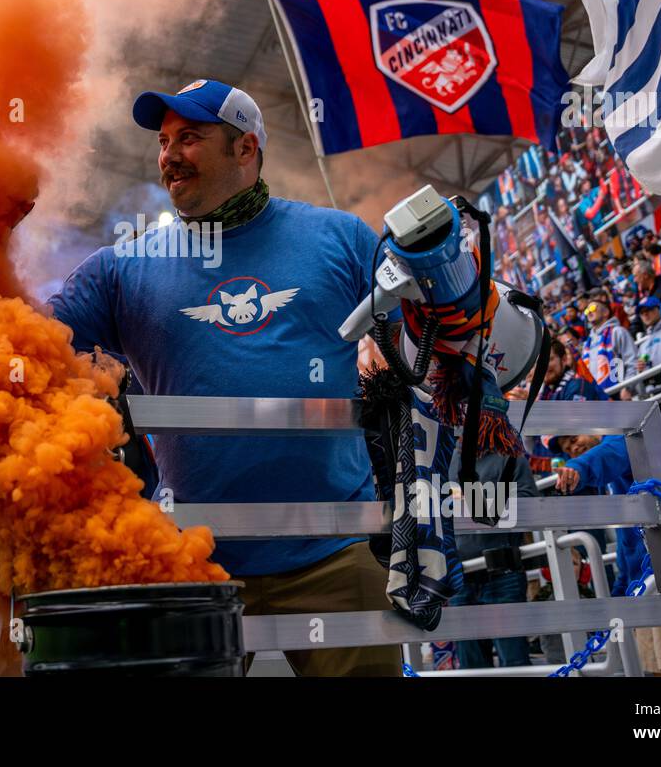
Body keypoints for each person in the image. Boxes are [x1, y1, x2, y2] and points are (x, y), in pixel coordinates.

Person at [47, 78, 398, 676]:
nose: (169, 154)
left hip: (334, 557)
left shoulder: (339, 237)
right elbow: (30, 340)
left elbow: (431, 323)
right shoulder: (125, 266)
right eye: (163, 141)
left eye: (190, 137)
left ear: (245, 149)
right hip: (193, 561)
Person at [554, 434, 661, 675]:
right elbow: (627, 544)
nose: (573, 447)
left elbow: (615, 451)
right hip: (651, 574)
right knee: (655, 666)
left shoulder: (624, 440)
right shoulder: (613, 479)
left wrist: (578, 466)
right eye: (568, 449)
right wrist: (619, 594)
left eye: (574, 439)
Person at [446, 447, 539, 669]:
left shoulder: (510, 456)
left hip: (502, 570)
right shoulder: (448, 458)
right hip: (462, 575)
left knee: (514, 662)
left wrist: (472, 500)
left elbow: (527, 501)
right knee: (471, 666)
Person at [581, 294, 637, 393]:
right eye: (586, 310)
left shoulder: (617, 332)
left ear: (606, 312)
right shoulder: (587, 344)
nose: (589, 311)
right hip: (598, 399)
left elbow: (632, 361)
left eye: (593, 308)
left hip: (618, 392)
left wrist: (628, 387)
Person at [634, 296, 661, 391]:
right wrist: (640, 369)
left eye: (648, 309)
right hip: (655, 391)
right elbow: (640, 372)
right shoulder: (643, 343)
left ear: (659, 308)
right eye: (641, 313)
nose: (645, 314)